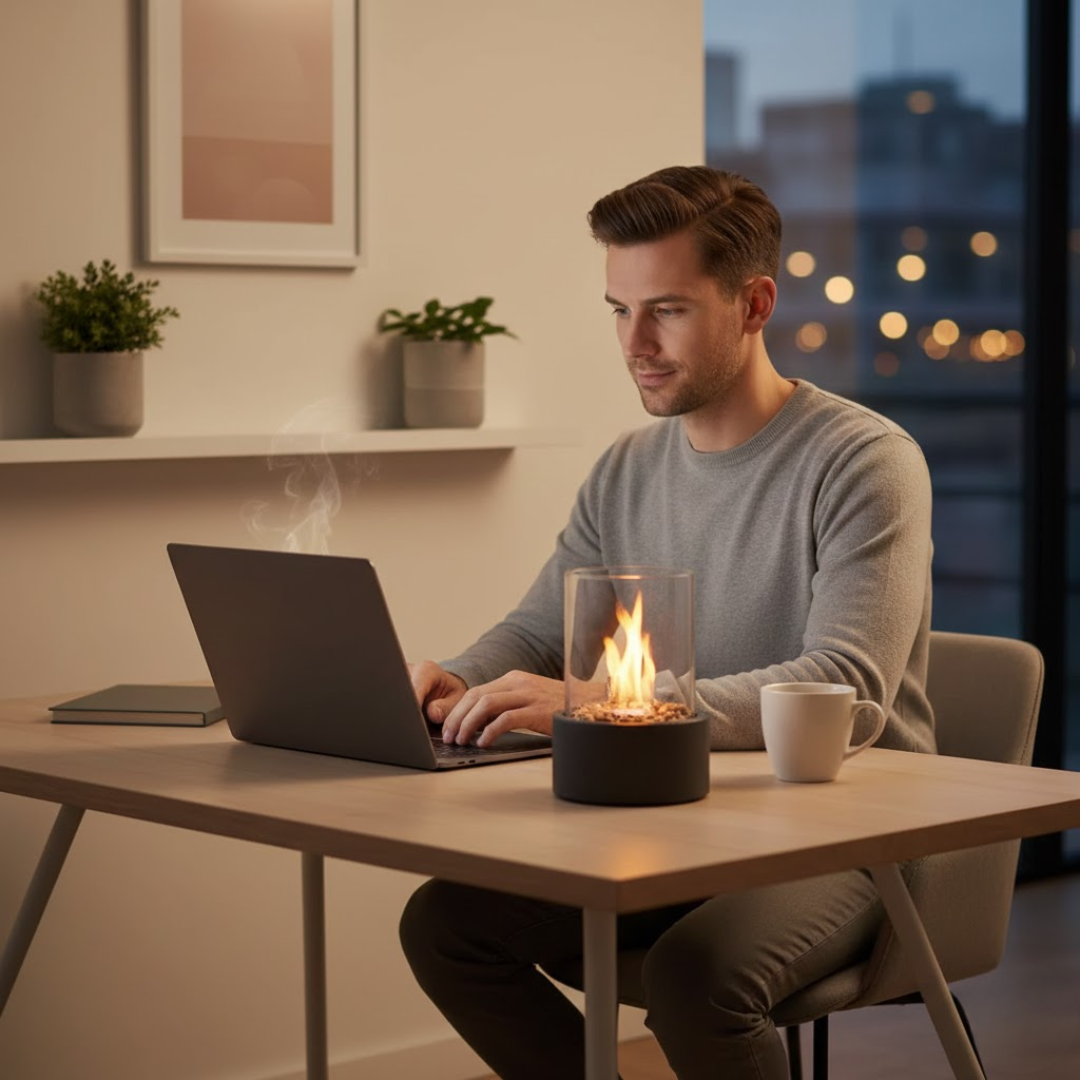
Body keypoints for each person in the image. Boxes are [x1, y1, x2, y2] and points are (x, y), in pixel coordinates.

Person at [400, 165, 934, 1080]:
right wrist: (454, 680)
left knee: (696, 976)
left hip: (852, 836)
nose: (634, 342)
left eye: (669, 311)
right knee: (448, 924)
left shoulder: (865, 461)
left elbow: (844, 688)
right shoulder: (628, 468)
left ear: (755, 302)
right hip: (679, 820)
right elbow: (536, 631)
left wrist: (596, 702)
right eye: (618, 309)